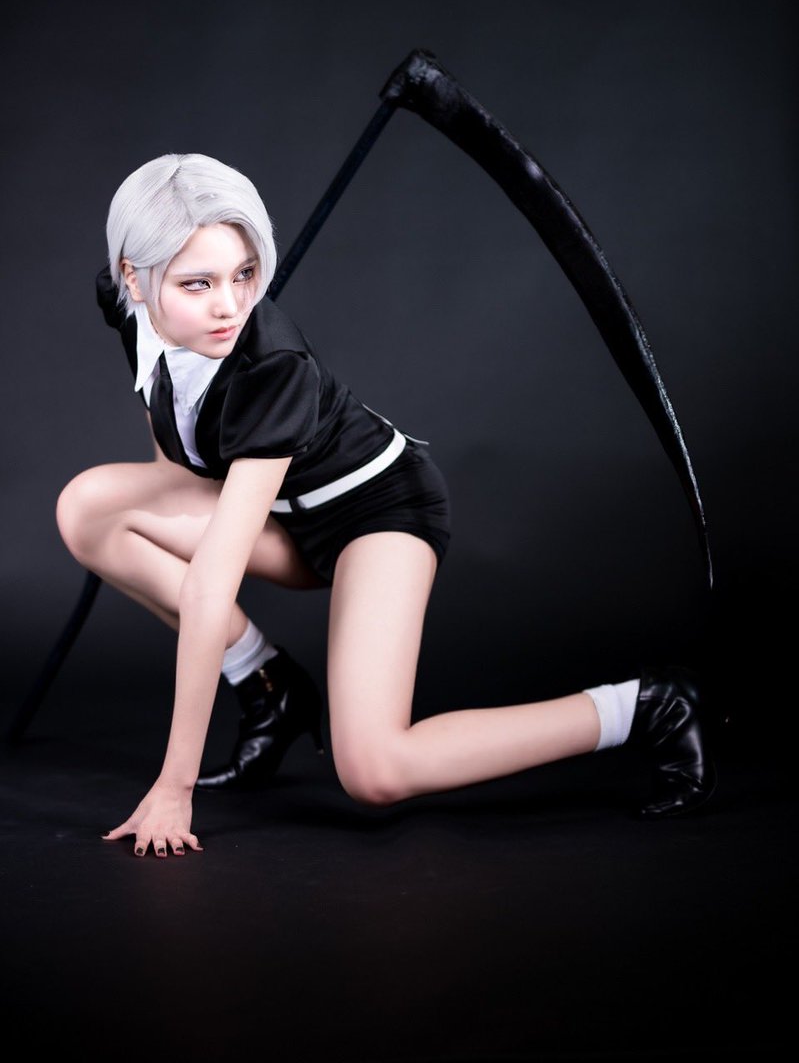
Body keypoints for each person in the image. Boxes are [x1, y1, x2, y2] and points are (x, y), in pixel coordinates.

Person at [56, 153, 716, 859]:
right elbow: (169, 415)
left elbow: (211, 585)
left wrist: (174, 786)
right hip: (283, 515)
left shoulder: (272, 367)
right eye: (199, 283)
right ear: (133, 277)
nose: (229, 306)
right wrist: (165, 491)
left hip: (376, 513)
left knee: (373, 771)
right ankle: (268, 684)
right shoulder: (125, 300)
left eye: (244, 273)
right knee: (87, 510)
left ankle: (647, 706)